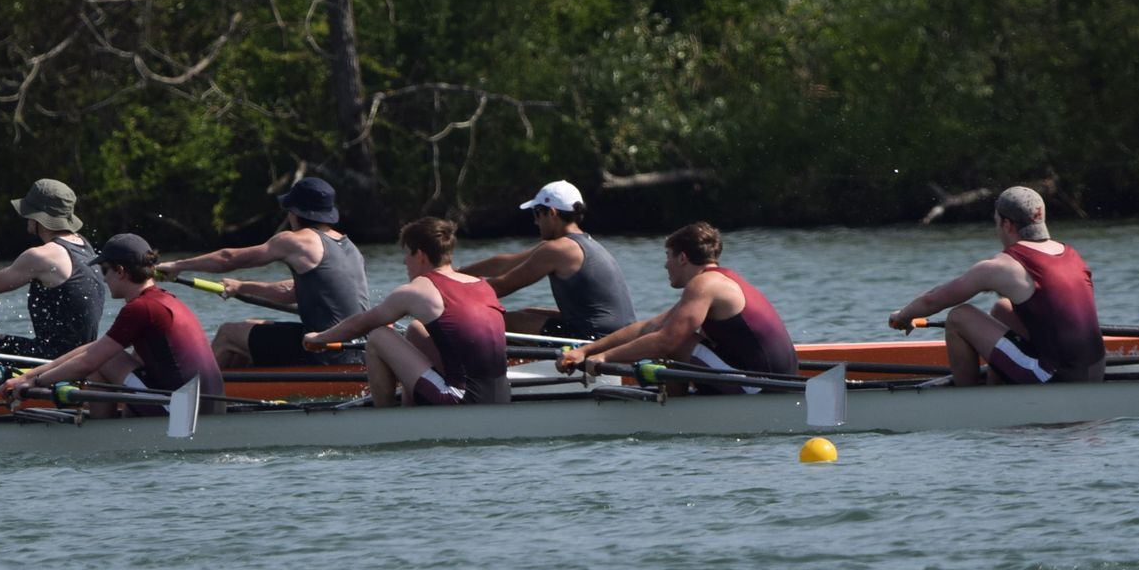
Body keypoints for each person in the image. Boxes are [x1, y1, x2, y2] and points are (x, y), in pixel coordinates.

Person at [887, 186, 1104, 386]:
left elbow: (933, 299)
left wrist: (903, 316)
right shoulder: (1071, 254)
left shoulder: (1002, 267)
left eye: (996, 223)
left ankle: (969, 405)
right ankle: (998, 388)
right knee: (1003, 309)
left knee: (958, 317)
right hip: (1095, 371)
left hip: (1055, 376)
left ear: (1007, 225)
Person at [155, 177, 369, 368]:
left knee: (228, 333)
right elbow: (291, 292)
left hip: (323, 350)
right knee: (253, 326)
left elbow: (228, 258)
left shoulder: (295, 241)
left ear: (295, 212)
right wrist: (241, 287)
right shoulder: (351, 247)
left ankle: (200, 399)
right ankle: (238, 393)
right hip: (358, 352)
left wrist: (177, 266)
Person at [556, 222, 797, 391]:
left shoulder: (704, 284)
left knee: (676, 340)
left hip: (763, 387)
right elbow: (648, 327)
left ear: (682, 258)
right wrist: (587, 351)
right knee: (668, 334)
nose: (665, 265)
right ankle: (678, 402)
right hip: (772, 380)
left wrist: (605, 358)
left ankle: (672, 411)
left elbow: (665, 341)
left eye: (668, 256)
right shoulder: (720, 279)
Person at [1, 234, 224, 414]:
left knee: (103, 361)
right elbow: (92, 350)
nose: (104, 278)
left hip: (185, 416)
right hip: (209, 408)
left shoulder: (140, 309)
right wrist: (29, 376)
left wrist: (34, 382)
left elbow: (89, 361)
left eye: (105, 270)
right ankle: (108, 429)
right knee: (104, 357)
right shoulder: (166, 299)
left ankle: (103, 439)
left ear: (120, 271)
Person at [303, 217, 507, 406]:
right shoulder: (481, 285)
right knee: (416, 330)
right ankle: (411, 409)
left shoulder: (419, 289)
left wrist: (319, 337)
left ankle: (386, 423)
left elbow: (361, 324)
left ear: (420, 255)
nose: (404, 262)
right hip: (502, 396)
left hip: (459, 399)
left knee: (377, 336)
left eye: (406, 253)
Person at [0, 178, 106, 359]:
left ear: (38, 216)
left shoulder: (43, 256)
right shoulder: (85, 247)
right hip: (79, 357)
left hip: (51, 361)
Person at [457, 179, 636, 337]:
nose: (535, 222)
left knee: (508, 320)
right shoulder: (579, 243)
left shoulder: (558, 249)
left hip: (596, 337)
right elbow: (507, 262)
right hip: (618, 332)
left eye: (536, 213)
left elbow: (502, 285)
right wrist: (453, 274)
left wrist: (447, 293)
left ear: (551, 213)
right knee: (526, 312)